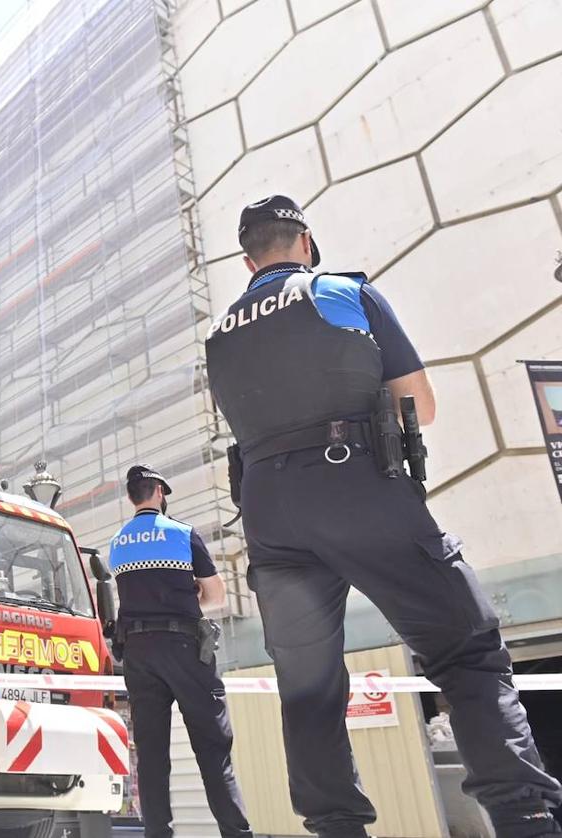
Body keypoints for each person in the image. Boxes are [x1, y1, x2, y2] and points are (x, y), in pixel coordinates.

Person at [203, 195, 562, 838]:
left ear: (247, 256)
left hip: (268, 512)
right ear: (305, 242)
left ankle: (336, 825)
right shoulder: (342, 290)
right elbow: (418, 404)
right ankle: (524, 815)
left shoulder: (221, 332)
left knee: (308, 680)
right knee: (465, 648)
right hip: (355, 483)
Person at [108, 464, 252, 838]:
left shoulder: (118, 542)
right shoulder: (183, 534)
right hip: (184, 647)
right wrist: (186, 601)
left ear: (129, 498)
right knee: (212, 748)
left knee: (152, 756)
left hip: (138, 652)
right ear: (158, 491)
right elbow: (217, 596)